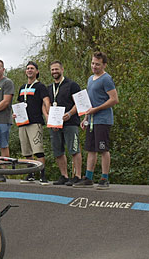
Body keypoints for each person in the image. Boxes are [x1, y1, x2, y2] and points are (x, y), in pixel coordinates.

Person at [76, 51, 119, 189]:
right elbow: (90, 102)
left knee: (103, 149)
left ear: (104, 65)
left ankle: (104, 178)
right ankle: (88, 177)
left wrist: (97, 109)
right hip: (92, 120)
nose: (94, 66)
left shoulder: (106, 79)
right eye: (93, 63)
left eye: (97, 64)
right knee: (90, 149)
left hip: (103, 120)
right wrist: (86, 117)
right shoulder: (90, 79)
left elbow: (114, 99)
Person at [47, 61, 83, 186]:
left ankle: (77, 176)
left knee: (74, 149)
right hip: (56, 125)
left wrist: (70, 113)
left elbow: (79, 102)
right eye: (52, 70)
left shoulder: (72, 85)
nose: (54, 72)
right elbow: (46, 106)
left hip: (70, 122)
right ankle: (64, 176)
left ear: (62, 69)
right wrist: (50, 120)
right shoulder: (49, 88)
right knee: (58, 151)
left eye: (56, 69)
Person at [14, 62, 50, 185]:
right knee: (26, 151)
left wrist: (50, 114)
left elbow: (46, 101)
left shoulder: (40, 86)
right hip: (23, 122)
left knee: (38, 150)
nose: (29, 70)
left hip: (35, 122)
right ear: (25, 71)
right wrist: (16, 114)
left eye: (32, 68)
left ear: (37, 71)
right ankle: (30, 173)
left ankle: (42, 174)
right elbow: (19, 104)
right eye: (28, 68)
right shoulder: (22, 87)